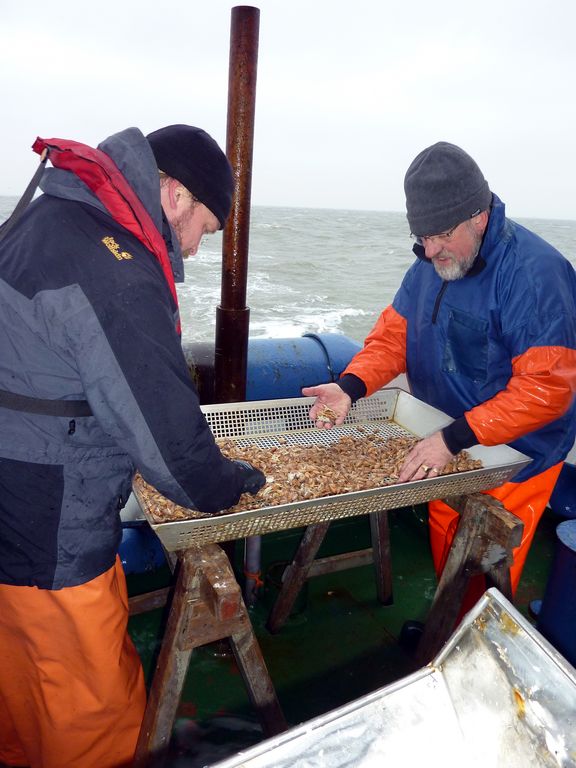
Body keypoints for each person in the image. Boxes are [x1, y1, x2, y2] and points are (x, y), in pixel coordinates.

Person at [0, 125, 265, 768]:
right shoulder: (112, 263)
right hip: (50, 521)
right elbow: (172, 443)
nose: (199, 248)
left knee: (19, 685)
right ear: (172, 193)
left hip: (14, 499)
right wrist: (229, 483)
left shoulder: (46, 218)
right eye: (205, 224)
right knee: (89, 709)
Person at [303, 141, 576, 616]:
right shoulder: (429, 264)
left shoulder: (536, 276)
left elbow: (549, 389)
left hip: (516, 458)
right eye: (421, 237)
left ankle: (474, 644)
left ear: (480, 215)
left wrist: (453, 438)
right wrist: (350, 386)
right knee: (447, 549)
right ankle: (447, 629)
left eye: (441, 235)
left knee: (487, 571)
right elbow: (393, 339)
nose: (430, 250)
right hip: (447, 442)